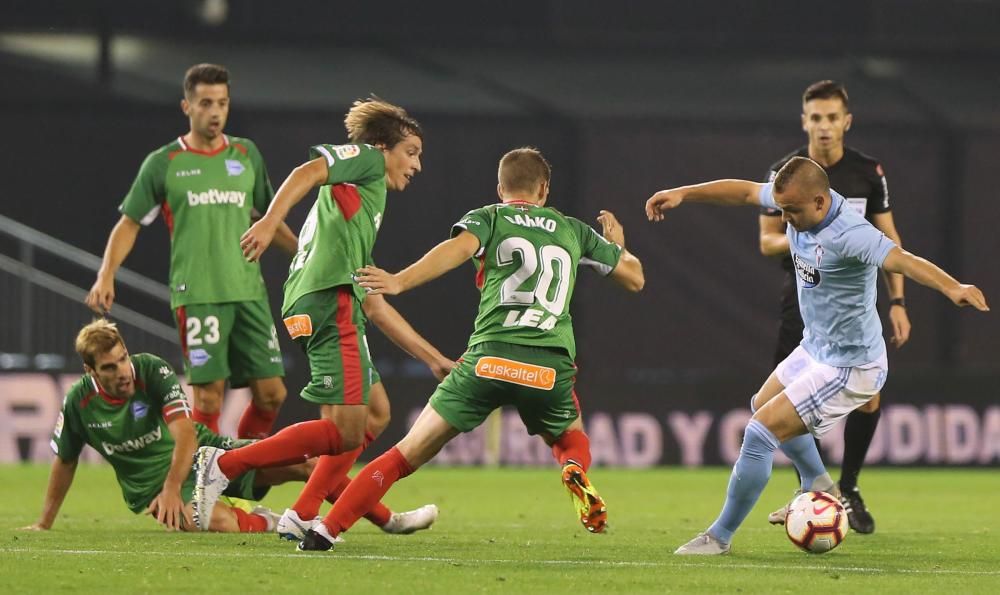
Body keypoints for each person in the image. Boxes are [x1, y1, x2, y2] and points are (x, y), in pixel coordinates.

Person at [290, 146, 646, 551]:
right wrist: (620, 246)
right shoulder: (574, 230)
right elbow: (635, 279)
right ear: (544, 189)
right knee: (570, 436)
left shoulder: (489, 217)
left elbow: (455, 251)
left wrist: (400, 281)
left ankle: (325, 531)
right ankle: (572, 467)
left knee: (403, 456)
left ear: (500, 188)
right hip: (548, 369)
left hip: (488, 360)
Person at [645, 157, 988, 555]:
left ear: (821, 203)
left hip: (851, 365)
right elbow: (742, 191)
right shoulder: (796, 201)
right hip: (816, 346)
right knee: (759, 404)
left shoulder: (851, 233)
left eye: (792, 211)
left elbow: (902, 260)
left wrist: (954, 288)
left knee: (759, 431)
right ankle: (819, 485)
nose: (785, 220)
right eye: (781, 209)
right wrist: (684, 193)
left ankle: (719, 537)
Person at [191, 97, 454, 536]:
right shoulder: (367, 160)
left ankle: (302, 512)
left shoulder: (354, 214)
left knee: (375, 412)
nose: (417, 165)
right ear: (382, 147)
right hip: (328, 303)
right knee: (346, 433)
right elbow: (306, 172)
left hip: (320, 301)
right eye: (411, 152)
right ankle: (224, 462)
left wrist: (432, 359)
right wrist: (271, 220)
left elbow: (373, 303)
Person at [85, 63, 297, 440]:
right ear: (187, 107)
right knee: (210, 400)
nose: (215, 112)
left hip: (249, 291)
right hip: (198, 295)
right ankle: (204, 491)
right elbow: (130, 222)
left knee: (271, 395)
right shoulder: (164, 163)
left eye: (222, 103)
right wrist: (106, 273)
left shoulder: (246, 154)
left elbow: (268, 219)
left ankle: (243, 475)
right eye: (205, 103)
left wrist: (302, 253)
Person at [759, 80, 909, 533]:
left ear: (847, 121)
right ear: (804, 121)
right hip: (803, 304)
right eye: (816, 118)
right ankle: (815, 490)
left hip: (854, 307)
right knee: (790, 404)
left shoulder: (868, 172)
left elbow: (890, 241)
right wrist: (809, 238)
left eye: (831, 118)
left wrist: (898, 300)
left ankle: (849, 485)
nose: (824, 127)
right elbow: (766, 239)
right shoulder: (784, 173)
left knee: (868, 398)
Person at [21, 319, 307, 533]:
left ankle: (335, 520)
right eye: (109, 367)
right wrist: (44, 523)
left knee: (301, 462)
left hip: (205, 454)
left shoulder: (151, 370)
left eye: (123, 359)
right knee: (215, 523)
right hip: (154, 489)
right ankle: (278, 523)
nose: (122, 371)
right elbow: (65, 461)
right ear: (90, 370)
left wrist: (173, 485)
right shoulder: (78, 402)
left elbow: (185, 433)